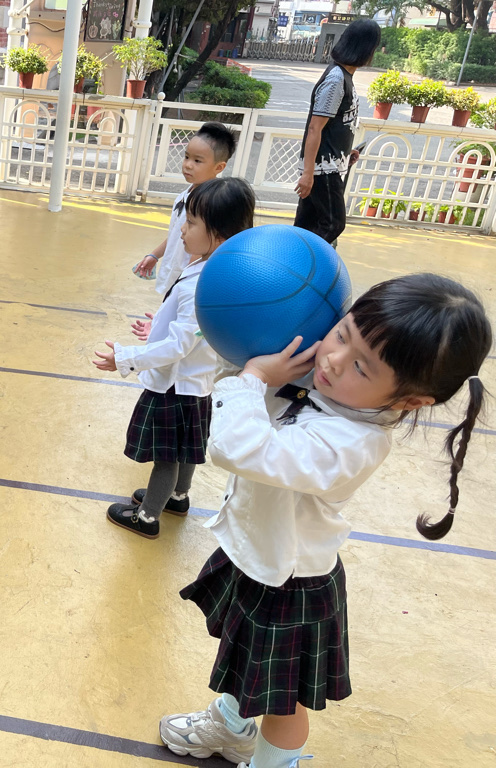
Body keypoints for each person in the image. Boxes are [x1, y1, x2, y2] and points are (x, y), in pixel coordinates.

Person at [159, 273, 490, 767]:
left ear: (409, 400)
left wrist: (253, 379)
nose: (333, 359)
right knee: (247, 667)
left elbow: (241, 447)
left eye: (360, 365)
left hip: (291, 584)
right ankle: (232, 727)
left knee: (283, 704)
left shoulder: (351, 443)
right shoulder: (325, 387)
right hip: (259, 556)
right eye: (341, 333)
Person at [93, 177, 256, 538]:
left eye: (192, 222)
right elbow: (194, 329)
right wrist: (159, 325)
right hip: (195, 384)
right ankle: (178, 497)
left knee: (166, 457)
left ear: (219, 236)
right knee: (186, 449)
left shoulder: (202, 282)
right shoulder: (213, 269)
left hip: (174, 386)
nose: (182, 229)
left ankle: (147, 517)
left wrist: (125, 357)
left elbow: (179, 345)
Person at [294, 19, 381, 245]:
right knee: (333, 223)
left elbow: (334, 124)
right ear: (366, 49)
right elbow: (315, 127)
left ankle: (296, 259)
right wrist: (308, 173)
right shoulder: (336, 79)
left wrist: (344, 152)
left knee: (306, 224)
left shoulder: (343, 76)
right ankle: (307, 261)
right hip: (323, 168)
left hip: (329, 163)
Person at [134, 122, 236, 296]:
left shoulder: (209, 204)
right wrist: (155, 255)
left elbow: (202, 249)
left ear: (219, 167)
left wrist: (187, 279)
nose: (188, 165)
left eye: (197, 161)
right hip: (173, 276)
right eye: (187, 157)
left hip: (187, 282)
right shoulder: (185, 194)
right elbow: (177, 232)